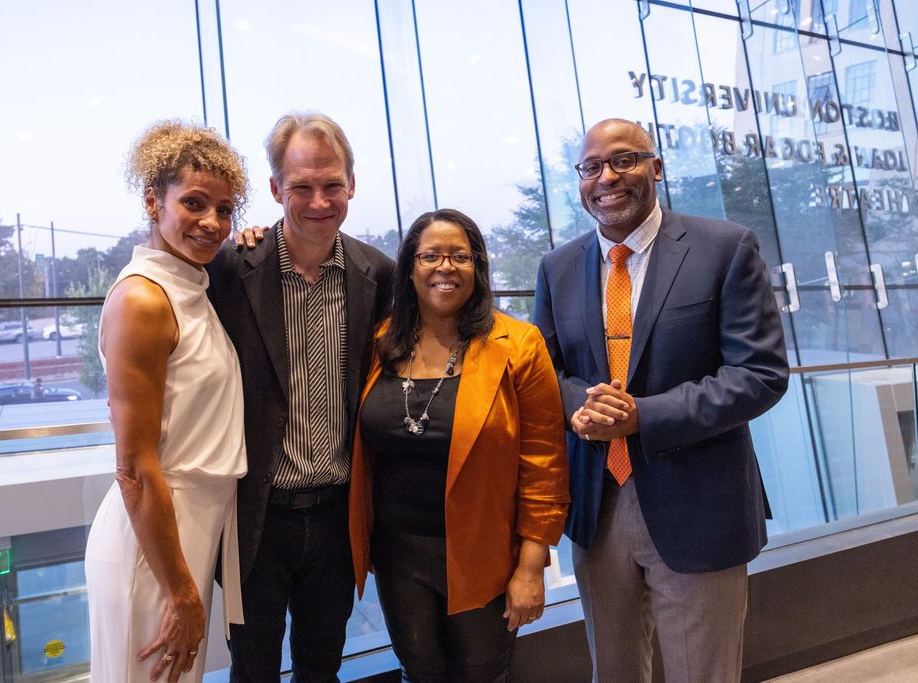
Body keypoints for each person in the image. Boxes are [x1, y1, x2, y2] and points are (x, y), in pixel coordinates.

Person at [533, 118, 790, 682]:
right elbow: (545, 371)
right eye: (592, 167)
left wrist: (641, 416)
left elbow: (761, 374)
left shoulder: (725, 247)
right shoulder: (557, 267)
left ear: (655, 166)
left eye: (623, 160)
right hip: (598, 510)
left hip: (699, 505)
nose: (607, 177)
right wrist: (582, 405)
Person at [207, 112, 394, 681]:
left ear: (352, 185)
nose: (319, 200)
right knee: (253, 671)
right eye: (301, 187)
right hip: (256, 521)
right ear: (274, 190)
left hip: (339, 516)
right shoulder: (231, 269)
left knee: (321, 669)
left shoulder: (379, 275)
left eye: (332, 184)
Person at [347, 208, 569, 681]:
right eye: (430, 256)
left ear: (478, 268)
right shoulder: (379, 343)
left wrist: (531, 567)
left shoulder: (519, 346)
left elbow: (545, 466)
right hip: (398, 553)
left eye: (460, 257)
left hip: (485, 551)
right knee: (419, 670)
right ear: (409, 268)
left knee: (481, 674)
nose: (445, 267)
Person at [85, 121, 250, 683]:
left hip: (187, 536)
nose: (212, 223)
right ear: (154, 201)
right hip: (154, 545)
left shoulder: (190, 287)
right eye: (195, 203)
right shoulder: (143, 299)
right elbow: (133, 467)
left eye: (225, 210)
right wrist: (181, 593)